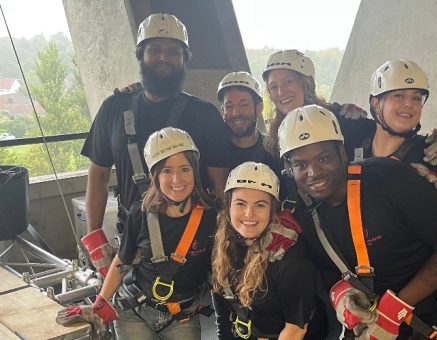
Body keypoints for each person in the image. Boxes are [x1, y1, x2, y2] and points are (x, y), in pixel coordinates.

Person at [278, 105, 437, 339]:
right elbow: (327, 267)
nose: (313, 172)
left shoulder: (390, 180)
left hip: (431, 326)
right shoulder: (306, 215)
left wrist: (395, 310)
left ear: (342, 153)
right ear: (290, 168)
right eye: (300, 164)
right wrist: (340, 293)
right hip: (370, 331)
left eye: (323, 158)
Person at [80, 13, 231, 278]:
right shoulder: (114, 109)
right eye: (155, 50)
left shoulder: (204, 114)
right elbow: (99, 174)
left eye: (174, 51)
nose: (164, 57)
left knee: (190, 312)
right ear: (141, 55)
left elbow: (220, 185)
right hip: (132, 238)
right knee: (126, 308)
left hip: (190, 240)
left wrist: (224, 237)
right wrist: (94, 236)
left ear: (184, 59)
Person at [57, 127, 217, 339]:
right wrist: (100, 304)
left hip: (182, 317)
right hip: (134, 311)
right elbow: (122, 261)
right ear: (155, 174)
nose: (177, 179)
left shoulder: (211, 217)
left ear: (195, 171)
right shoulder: (141, 213)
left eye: (185, 169)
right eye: (167, 170)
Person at [261, 49, 437, 171]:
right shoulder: (273, 138)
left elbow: (388, 131)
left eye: (289, 81)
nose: (281, 92)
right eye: (273, 87)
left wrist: (433, 143)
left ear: (306, 84)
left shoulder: (342, 118)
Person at [211, 162, 318, 339]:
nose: (249, 213)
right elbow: (222, 308)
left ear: (272, 209)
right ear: (228, 206)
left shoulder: (290, 257)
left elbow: (295, 330)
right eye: (240, 203)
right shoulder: (224, 242)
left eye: (260, 205)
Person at [364, 59, 437, 233]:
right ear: (376, 104)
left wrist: (432, 202)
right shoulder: (354, 137)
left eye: (416, 98)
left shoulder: (436, 159)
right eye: (398, 96)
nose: (409, 104)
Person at [216, 71, 280, 174]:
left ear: (259, 108)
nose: (235, 113)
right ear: (223, 111)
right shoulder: (214, 152)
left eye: (244, 105)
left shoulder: (273, 150)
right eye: (229, 107)